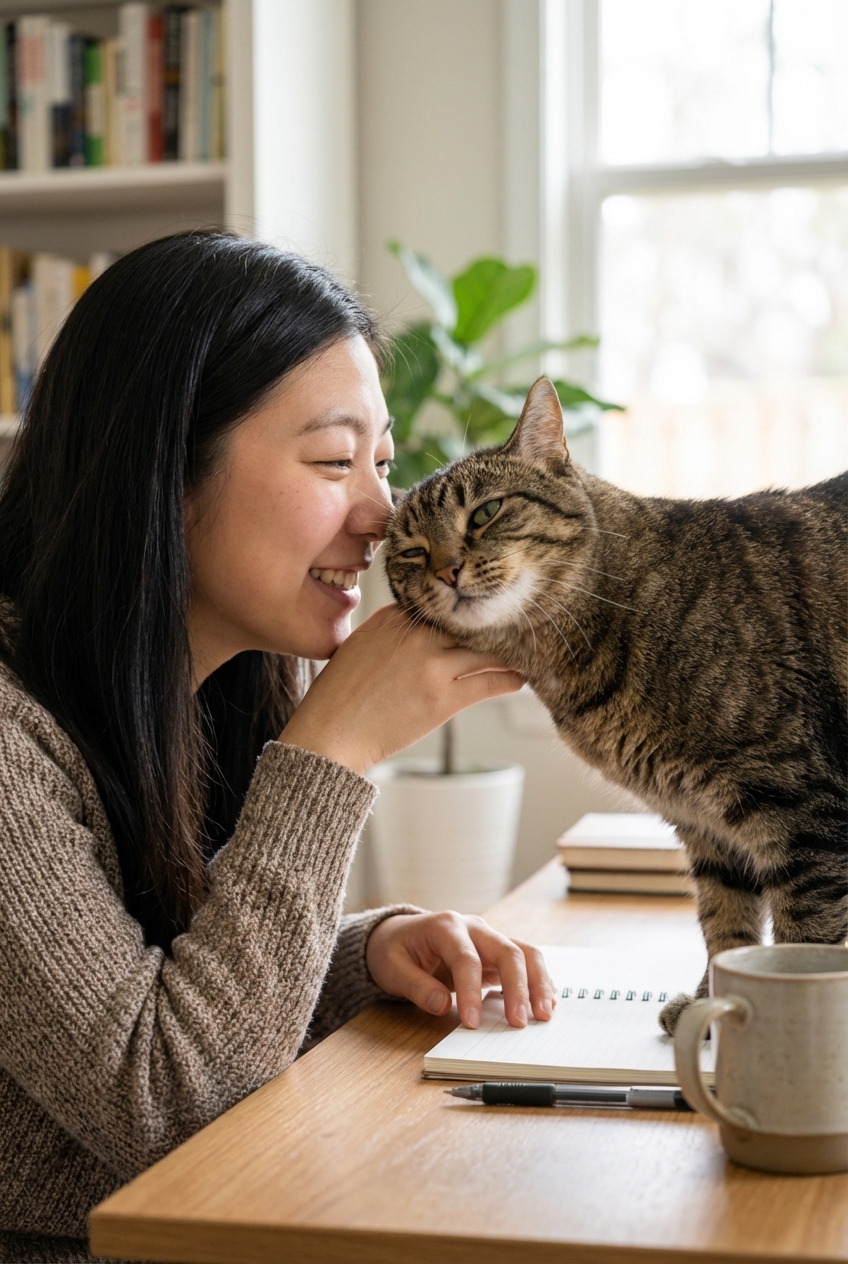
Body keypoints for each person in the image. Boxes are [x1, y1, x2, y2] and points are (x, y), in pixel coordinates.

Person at [0, 232, 555, 1264]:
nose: (384, 516)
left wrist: (363, 957)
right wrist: (332, 746)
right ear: (167, 471)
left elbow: (166, 984)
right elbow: (166, 1104)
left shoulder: (197, 684)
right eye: (334, 460)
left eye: (382, 463)